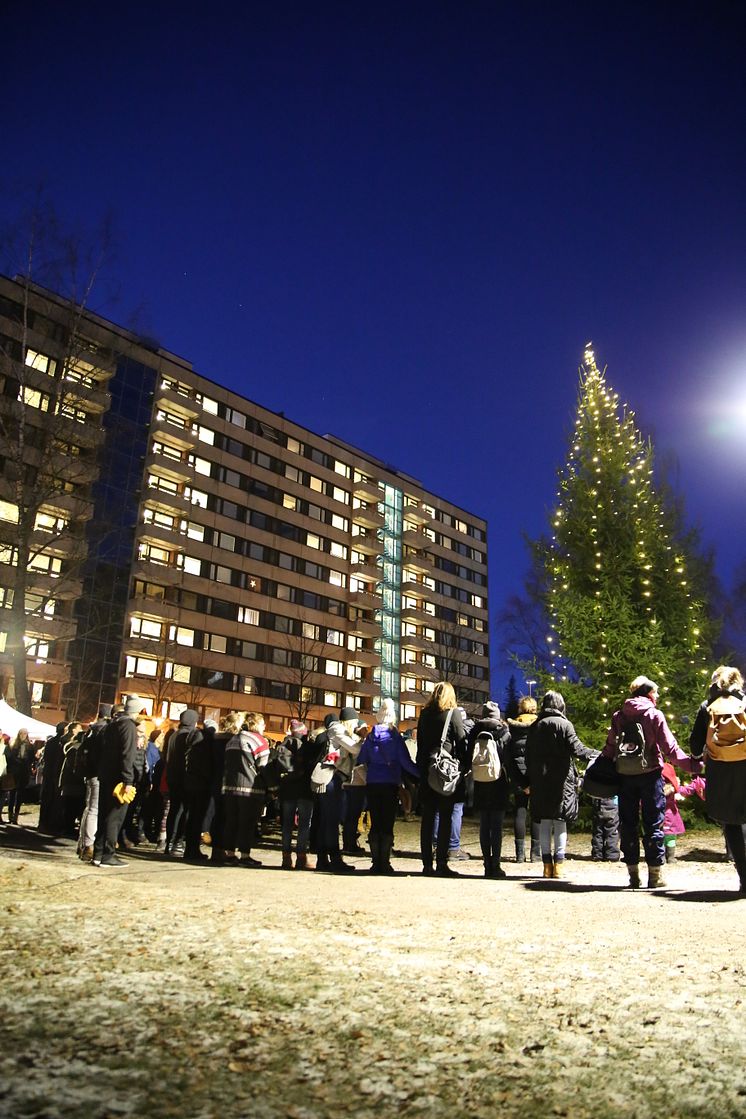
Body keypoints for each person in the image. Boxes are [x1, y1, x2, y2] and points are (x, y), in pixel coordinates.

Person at [603, 676, 700, 889]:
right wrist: (694, 766)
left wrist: (602, 767)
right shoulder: (654, 715)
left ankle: (633, 875)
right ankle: (655, 875)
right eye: (655, 692)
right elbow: (670, 749)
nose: (657, 696)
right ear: (648, 693)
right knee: (654, 823)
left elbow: (610, 745)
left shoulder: (619, 716)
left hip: (625, 776)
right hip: (651, 775)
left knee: (628, 824)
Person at [525, 691, 596, 879]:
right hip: (561, 780)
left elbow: (528, 756)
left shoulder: (535, 726)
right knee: (560, 821)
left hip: (540, 780)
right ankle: (559, 866)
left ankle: (546, 865)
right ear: (560, 705)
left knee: (545, 822)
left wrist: (528, 779)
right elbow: (578, 750)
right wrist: (599, 753)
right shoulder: (565, 724)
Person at [688, 665, 746, 894]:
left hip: (720, 770)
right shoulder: (745, 703)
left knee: (730, 822)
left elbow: (694, 746)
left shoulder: (707, 707)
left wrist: (697, 757)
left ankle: (744, 876)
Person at [357, 699, 419, 874]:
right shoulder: (395, 738)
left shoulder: (370, 737)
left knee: (375, 822)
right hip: (390, 783)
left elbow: (361, 760)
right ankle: (384, 862)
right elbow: (405, 762)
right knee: (387, 823)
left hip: (372, 783)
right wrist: (420, 774)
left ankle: (375, 862)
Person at [416, 681, 467, 877]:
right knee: (445, 817)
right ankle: (442, 863)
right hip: (445, 770)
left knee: (428, 818)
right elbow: (461, 740)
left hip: (428, 769)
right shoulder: (453, 714)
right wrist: (462, 766)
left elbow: (421, 743)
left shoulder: (425, 714)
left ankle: (426, 863)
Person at [315, 707, 366, 873]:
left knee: (327, 821)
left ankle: (322, 859)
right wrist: (363, 738)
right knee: (331, 822)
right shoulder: (337, 729)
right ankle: (335, 859)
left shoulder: (343, 733)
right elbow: (355, 749)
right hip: (330, 779)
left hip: (336, 779)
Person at [92, 697, 140, 868]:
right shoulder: (129, 727)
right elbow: (127, 755)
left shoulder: (113, 725)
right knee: (115, 817)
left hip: (106, 775)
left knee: (104, 815)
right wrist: (128, 780)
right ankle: (108, 854)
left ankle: (98, 853)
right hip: (118, 778)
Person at [468, 701, 511, 878]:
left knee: (484, 825)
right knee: (497, 826)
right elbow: (508, 756)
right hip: (499, 782)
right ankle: (496, 865)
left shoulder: (474, 731)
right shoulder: (504, 732)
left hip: (480, 781)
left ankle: (487, 864)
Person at [221, 712, 270, 867]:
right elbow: (263, 767)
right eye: (262, 724)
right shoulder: (259, 741)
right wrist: (271, 787)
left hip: (229, 786)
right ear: (256, 725)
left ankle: (229, 854)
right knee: (247, 823)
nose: (264, 727)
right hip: (250, 788)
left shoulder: (233, 739)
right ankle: (245, 855)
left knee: (231, 821)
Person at [278, 720, 318, 870]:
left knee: (287, 824)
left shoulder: (283, 746)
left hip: (287, 790)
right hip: (305, 789)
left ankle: (286, 858)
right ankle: (301, 857)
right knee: (304, 825)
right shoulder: (307, 746)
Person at [506, 696, 540, 861]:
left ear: (520, 708)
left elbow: (509, 757)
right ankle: (536, 853)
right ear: (534, 709)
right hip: (536, 777)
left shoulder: (512, 728)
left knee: (520, 811)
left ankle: (520, 854)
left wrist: (520, 781)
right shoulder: (540, 726)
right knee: (536, 814)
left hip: (518, 776)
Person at [77, 704, 112, 860]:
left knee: (88, 808)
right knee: (94, 810)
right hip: (98, 774)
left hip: (89, 774)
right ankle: (89, 844)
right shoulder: (104, 731)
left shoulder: (90, 731)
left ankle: (82, 843)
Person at [2, 728, 34, 825]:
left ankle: (16, 816)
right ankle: (10, 815)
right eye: (22, 733)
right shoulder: (13, 745)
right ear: (19, 734)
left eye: (25, 733)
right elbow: (9, 758)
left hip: (24, 772)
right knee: (12, 793)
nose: (23, 735)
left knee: (20, 794)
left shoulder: (30, 747)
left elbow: (31, 759)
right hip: (15, 772)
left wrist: (27, 765)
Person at [590, 794, 620, 862]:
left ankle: (597, 854)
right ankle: (612, 855)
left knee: (598, 831)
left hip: (598, 802)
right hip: (613, 802)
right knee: (612, 831)